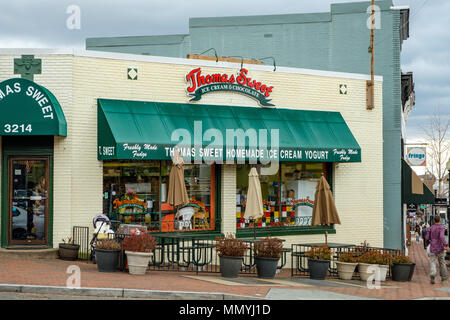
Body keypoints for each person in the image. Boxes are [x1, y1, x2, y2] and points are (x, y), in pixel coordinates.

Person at [425, 216, 450, 284]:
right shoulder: (442, 227)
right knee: (442, 262)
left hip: (432, 247)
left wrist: (430, 241)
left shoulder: (431, 227)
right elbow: (442, 237)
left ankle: (433, 273)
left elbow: (426, 237)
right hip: (440, 247)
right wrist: (446, 245)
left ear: (434, 221)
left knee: (432, 261)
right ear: (440, 220)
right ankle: (444, 276)